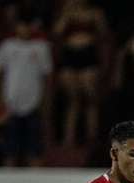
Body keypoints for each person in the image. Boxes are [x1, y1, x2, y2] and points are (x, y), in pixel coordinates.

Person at [0, 13, 52, 166]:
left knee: (34, 151)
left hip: (33, 105)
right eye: (21, 25)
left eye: (28, 25)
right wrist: (0, 97)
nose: (25, 29)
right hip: (11, 106)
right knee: (10, 151)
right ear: (16, 27)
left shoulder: (41, 47)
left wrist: (45, 103)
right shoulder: (7, 46)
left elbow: (47, 77)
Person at [52, 0, 107, 146]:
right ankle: (68, 139)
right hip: (70, 55)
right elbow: (57, 32)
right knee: (72, 100)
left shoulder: (96, 13)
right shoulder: (66, 12)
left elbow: (103, 34)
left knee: (90, 97)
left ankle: (92, 138)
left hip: (88, 54)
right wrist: (67, 14)